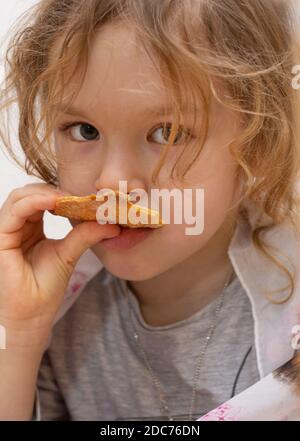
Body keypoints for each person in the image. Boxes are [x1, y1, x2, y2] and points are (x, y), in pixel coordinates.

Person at [0, 0, 299, 421]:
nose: (113, 182)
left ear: (258, 142)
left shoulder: (289, 324)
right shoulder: (61, 317)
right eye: (84, 131)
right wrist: (20, 334)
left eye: (169, 132)